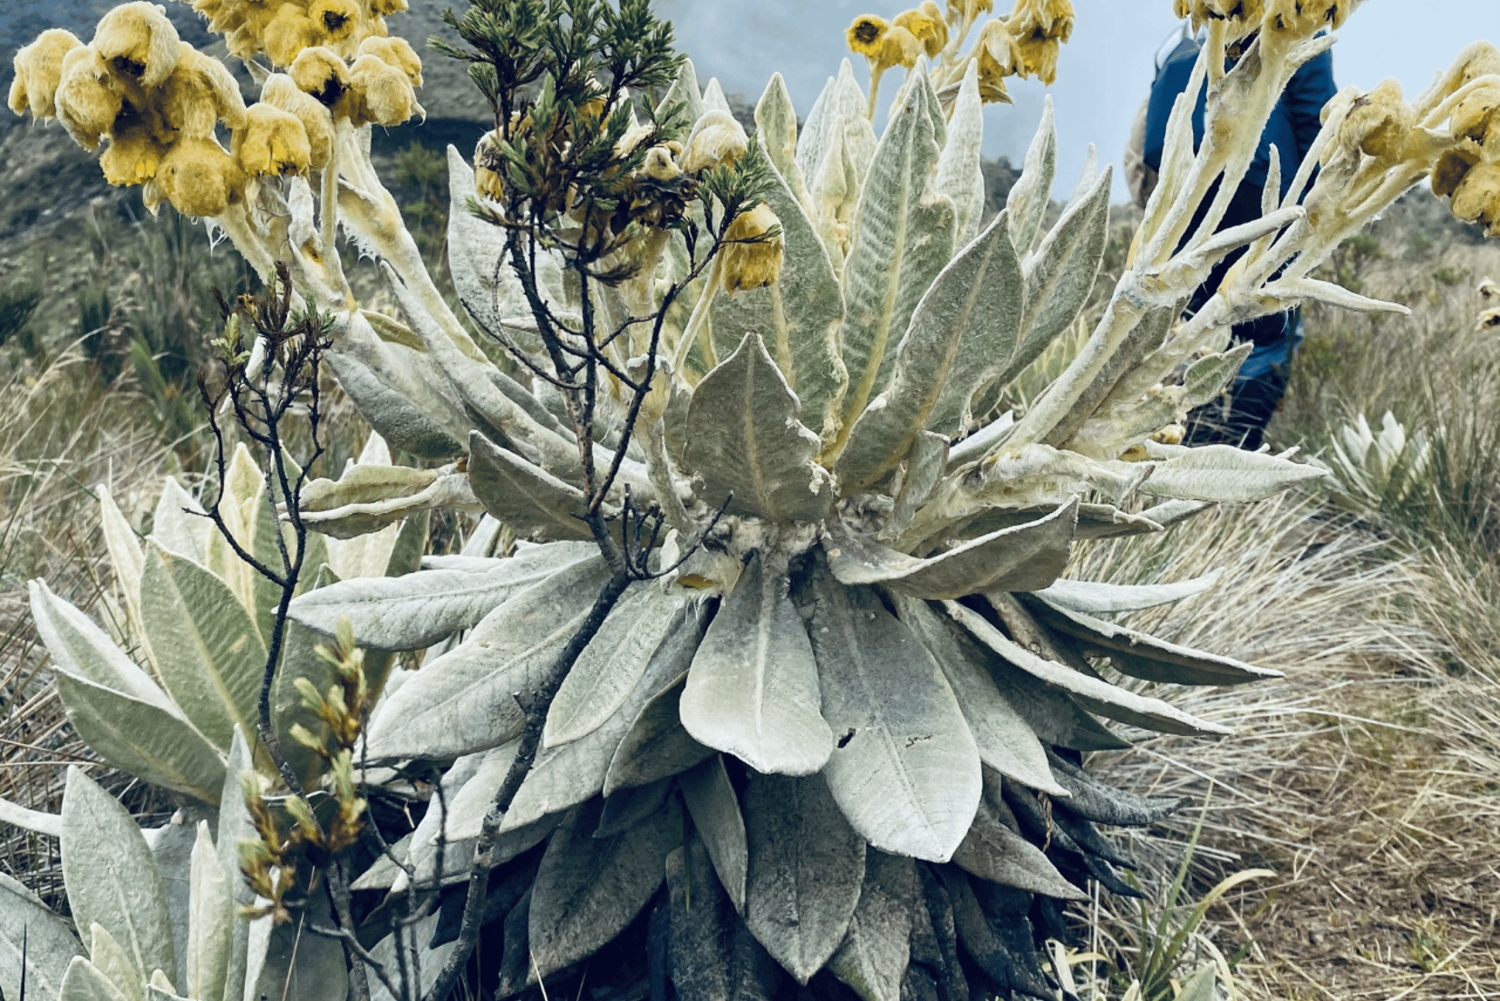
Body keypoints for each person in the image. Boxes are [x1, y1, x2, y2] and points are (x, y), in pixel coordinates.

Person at [1139, 27, 1337, 449]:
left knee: (1191, 312)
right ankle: (1228, 448)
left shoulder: (1186, 30)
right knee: (1268, 324)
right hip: (1256, 191)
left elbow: (1148, 131)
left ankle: (1177, 429)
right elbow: (1318, 122)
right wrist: (1313, 218)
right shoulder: (1298, 20)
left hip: (1182, 189)